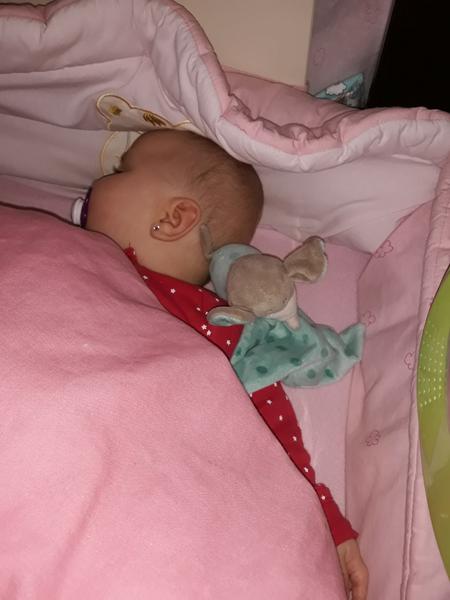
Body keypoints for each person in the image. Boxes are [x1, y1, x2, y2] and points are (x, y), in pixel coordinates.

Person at [79, 128, 368, 599]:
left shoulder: (217, 325)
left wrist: (327, 524)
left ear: (173, 218)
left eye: (120, 170)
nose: (98, 180)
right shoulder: (69, 254)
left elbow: (274, 435)